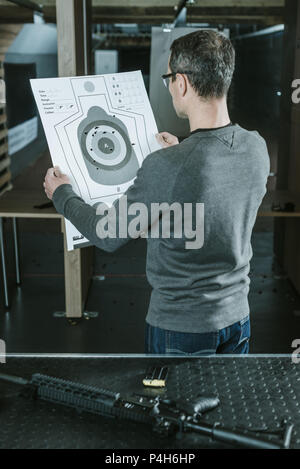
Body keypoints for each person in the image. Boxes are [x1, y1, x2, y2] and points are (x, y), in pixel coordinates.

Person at [44, 30, 270, 355]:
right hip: (238, 320)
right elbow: (217, 199)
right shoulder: (256, 147)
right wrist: (181, 154)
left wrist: (62, 194)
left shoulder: (167, 166)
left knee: (168, 408)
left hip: (181, 328)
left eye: (168, 79)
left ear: (181, 83)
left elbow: (107, 234)